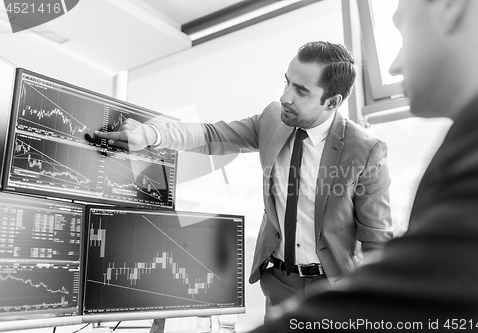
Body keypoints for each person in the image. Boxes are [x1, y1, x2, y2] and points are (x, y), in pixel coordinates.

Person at [246, 0, 478, 331]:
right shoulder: (475, 137)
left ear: (451, 7)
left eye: (402, 32)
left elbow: (408, 293)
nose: (393, 66)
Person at [94, 41, 393, 316]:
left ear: (331, 102)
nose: (284, 97)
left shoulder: (365, 150)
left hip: (334, 287)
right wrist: (151, 134)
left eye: (301, 91)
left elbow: (376, 241)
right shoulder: (273, 119)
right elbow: (212, 135)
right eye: (287, 82)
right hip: (279, 281)